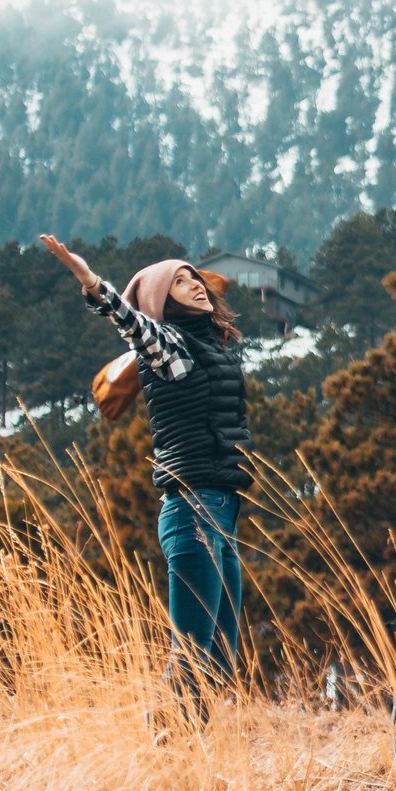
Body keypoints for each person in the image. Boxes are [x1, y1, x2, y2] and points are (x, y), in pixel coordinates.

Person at [41, 235, 253, 690]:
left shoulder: (210, 347)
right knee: (193, 656)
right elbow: (133, 324)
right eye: (180, 282)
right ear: (163, 301)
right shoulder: (169, 348)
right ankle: (165, 732)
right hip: (194, 509)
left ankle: (187, 735)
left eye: (194, 278)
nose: (195, 285)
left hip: (222, 509)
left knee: (218, 661)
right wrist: (91, 282)